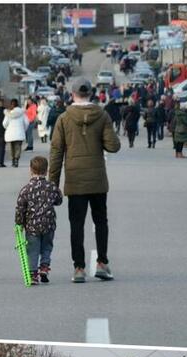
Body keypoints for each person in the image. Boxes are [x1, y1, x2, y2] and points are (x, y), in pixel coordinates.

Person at [49, 76, 120, 283]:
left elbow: (56, 153)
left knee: (76, 225)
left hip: (75, 179)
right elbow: (113, 146)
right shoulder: (102, 115)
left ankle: (79, 268)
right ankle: (102, 263)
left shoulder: (64, 118)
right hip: (97, 180)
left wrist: (52, 184)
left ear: (72, 94)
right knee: (101, 222)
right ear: (90, 93)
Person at [14, 155, 62, 285]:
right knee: (47, 247)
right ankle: (44, 268)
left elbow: (20, 207)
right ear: (46, 171)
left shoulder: (26, 189)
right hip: (49, 224)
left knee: (33, 250)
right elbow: (59, 200)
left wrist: (19, 223)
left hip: (32, 226)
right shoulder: (51, 186)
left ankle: (33, 274)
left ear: (31, 170)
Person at [2, 98, 29, 168]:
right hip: (19, 132)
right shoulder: (22, 113)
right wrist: (24, 129)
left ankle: (13, 160)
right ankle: (17, 158)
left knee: (11, 147)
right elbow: (26, 122)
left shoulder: (8, 113)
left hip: (10, 133)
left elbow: (4, 123)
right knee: (18, 147)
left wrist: (7, 128)